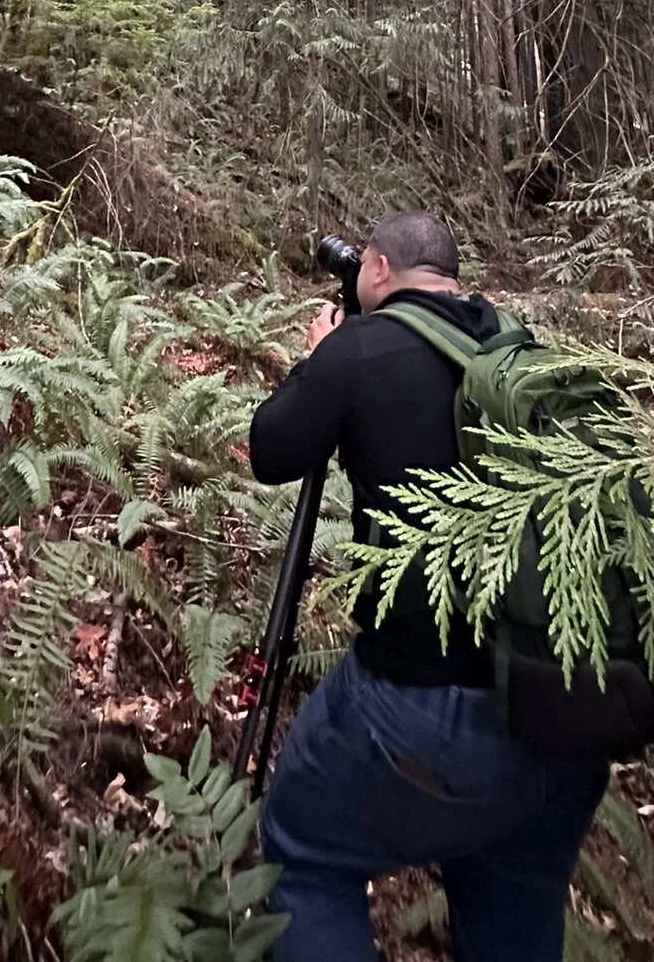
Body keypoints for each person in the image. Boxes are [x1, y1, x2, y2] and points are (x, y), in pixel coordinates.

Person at [248, 210, 606, 962]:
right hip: (568, 711)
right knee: (514, 908)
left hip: (422, 713)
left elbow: (271, 449)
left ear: (376, 269)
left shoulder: (361, 348)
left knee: (303, 853)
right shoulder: (520, 355)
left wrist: (320, 359)